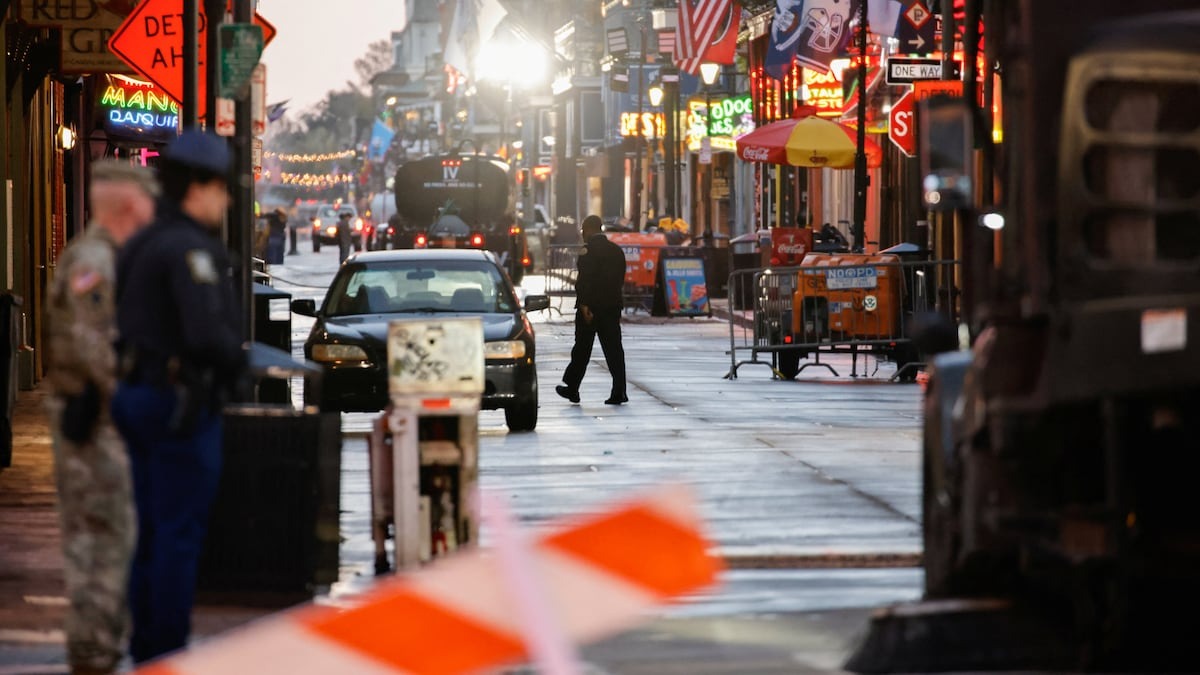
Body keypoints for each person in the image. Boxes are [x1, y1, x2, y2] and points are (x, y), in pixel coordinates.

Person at [111, 129, 246, 664]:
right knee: (178, 536)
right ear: (200, 186)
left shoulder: (142, 241)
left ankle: (146, 642)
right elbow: (207, 334)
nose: (228, 200)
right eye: (223, 187)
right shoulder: (190, 250)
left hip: (139, 393)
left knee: (149, 530)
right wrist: (236, 364)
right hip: (179, 405)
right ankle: (166, 648)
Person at [44, 160, 158, 675]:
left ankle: (102, 648)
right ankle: (93, 654)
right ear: (131, 205)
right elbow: (98, 350)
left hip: (107, 426)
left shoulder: (109, 259)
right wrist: (143, 399)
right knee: (100, 545)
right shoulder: (94, 263)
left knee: (115, 539)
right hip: (96, 430)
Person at [556, 214, 628, 405]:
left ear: (587, 230)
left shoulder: (587, 251)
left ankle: (572, 387)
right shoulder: (616, 251)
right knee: (614, 350)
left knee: (582, 349)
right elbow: (619, 279)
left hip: (591, 309)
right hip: (611, 307)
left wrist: (585, 305)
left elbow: (585, 281)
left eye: (582, 230)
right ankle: (619, 391)